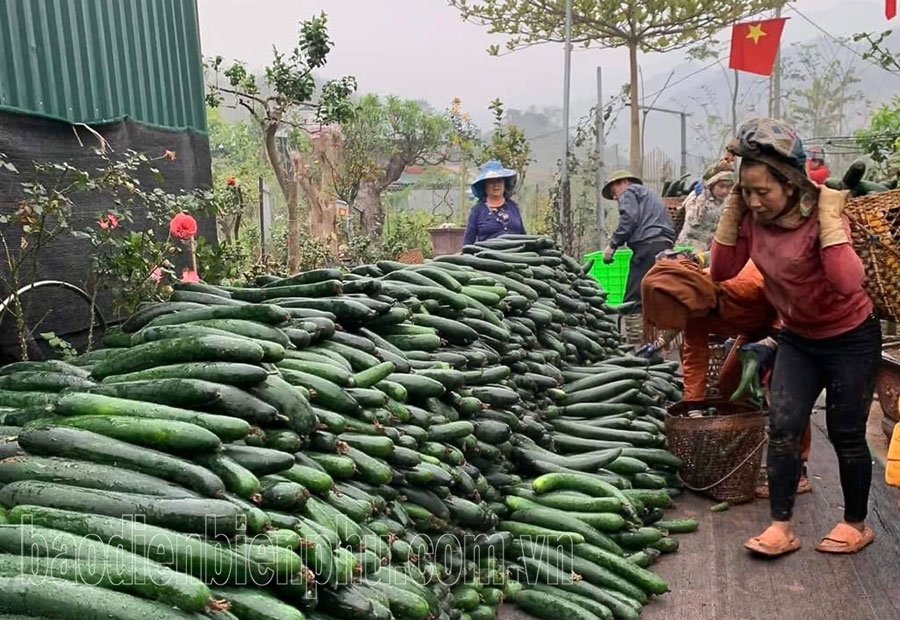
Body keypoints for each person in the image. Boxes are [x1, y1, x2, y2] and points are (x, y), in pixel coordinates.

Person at [711, 118, 880, 557]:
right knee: (783, 427)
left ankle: (856, 524)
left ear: (789, 184)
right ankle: (781, 527)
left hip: (850, 337)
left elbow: (848, 282)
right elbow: (722, 270)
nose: (754, 200)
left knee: (846, 432)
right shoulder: (752, 218)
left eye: (762, 191)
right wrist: (733, 211)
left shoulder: (821, 216)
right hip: (798, 338)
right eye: (746, 191)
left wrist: (830, 220)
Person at [640, 256, 814, 496]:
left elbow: (789, 297)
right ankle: (744, 442)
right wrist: (694, 407)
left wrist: (772, 340)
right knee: (728, 387)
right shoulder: (695, 313)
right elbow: (695, 357)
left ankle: (797, 470)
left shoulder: (741, 281)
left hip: (792, 328)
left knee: (786, 397)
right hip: (753, 331)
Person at [601, 170, 675, 311]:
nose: (615, 197)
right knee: (656, 292)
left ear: (624, 182)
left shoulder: (629, 191)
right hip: (664, 245)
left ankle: (633, 324)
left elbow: (629, 219)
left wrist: (612, 245)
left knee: (633, 298)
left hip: (648, 245)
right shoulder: (648, 195)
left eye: (613, 192)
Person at [463, 160, 526, 245]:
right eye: (491, 181)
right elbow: (468, 240)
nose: (496, 185)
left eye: (499, 180)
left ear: (505, 183)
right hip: (487, 253)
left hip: (515, 252)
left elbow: (523, 235)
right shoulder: (477, 210)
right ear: (484, 185)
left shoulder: (513, 206)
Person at [677, 170, 735, 251]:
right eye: (721, 186)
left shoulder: (729, 201)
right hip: (688, 246)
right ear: (712, 185)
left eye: (729, 187)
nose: (724, 191)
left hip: (712, 248)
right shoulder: (698, 197)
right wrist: (701, 200)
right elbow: (692, 221)